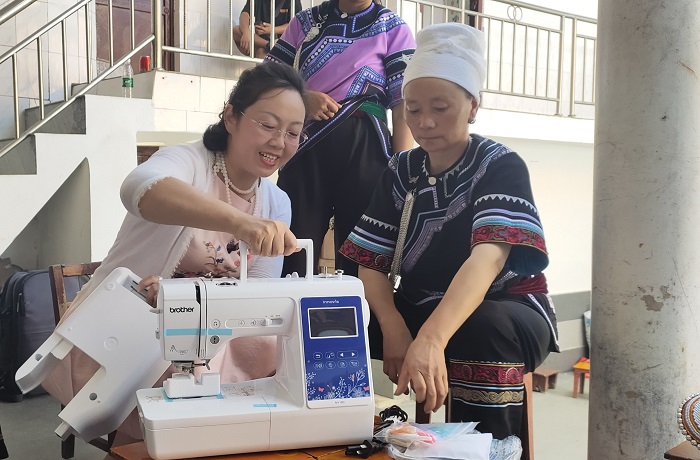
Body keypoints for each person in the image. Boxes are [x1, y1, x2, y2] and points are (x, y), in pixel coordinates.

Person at [42, 61, 306, 444]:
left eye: (293, 133)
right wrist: (240, 223)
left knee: (289, 362)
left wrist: (190, 300)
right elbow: (139, 187)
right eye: (267, 125)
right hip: (126, 330)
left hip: (212, 335)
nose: (279, 142)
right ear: (231, 116)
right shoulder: (187, 161)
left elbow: (260, 299)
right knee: (195, 382)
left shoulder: (276, 202)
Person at [339, 23, 559, 440]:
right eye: (412, 108)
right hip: (418, 305)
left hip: (506, 307)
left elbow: (488, 258)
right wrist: (395, 327)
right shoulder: (401, 169)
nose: (424, 122)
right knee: (336, 321)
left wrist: (431, 339)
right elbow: (369, 262)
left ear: (473, 105)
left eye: (440, 108)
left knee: (483, 327)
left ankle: (488, 449)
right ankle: (344, 436)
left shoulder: (500, 165)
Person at [264, 0, 416, 278]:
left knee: (362, 251)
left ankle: (363, 321)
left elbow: (402, 101)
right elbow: (267, 75)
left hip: (367, 146)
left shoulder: (393, 27)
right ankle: (291, 317)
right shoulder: (305, 21)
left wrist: (400, 168)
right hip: (307, 146)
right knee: (295, 244)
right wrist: (302, 98)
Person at [233, 0, 303, 58]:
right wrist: (246, 33)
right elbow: (245, 14)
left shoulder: (294, 1)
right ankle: (268, 45)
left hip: (282, 42)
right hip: (261, 41)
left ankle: (271, 46)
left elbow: (296, 25)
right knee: (236, 31)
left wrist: (272, 30)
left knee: (261, 53)